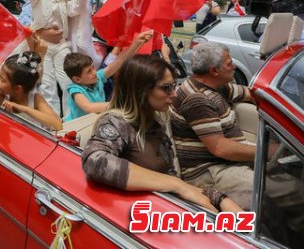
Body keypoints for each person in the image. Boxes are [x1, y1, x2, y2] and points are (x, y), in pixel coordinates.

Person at [82, 55, 242, 214]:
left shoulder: (155, 119)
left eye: (174, 85)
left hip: (167, 207)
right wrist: (175, 184)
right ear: (141, 90)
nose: (174, 94)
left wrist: (218, 198)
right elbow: (94, 161)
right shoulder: (116, 122)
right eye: (166, 88)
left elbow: (174, 181)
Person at [170, 42, 255, 209]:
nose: (234, 66)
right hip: (208, 171)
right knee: (269, 190)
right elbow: (220, 148)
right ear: (214, 71)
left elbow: (250, 93)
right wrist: (265, 152)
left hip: (225, 163)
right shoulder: (197, 98)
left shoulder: (216, 86)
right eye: (229, 63)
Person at [22, 0, 86, 117]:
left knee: (68, 81)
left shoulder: (66, 0)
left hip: (61, 46)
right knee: (48, 85)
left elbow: (79, 7)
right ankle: (52, 121)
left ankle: (70, 118)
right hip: (43, 47)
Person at [0, 39, 62, 131]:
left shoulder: (35, 99)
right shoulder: (3, 99)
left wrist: (24, 109)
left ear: (17, 89)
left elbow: (57, 124)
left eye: (2, 80)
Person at [63, 31, 153, 121]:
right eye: (89, 71)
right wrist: (122, 104)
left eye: (93, 68)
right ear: (77, 79)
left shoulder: (98, 77)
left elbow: (119, 61)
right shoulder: (75, 89)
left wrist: (136, 43)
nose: (94, 72)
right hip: (78, 127)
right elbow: (89, 107)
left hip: (96, 120)